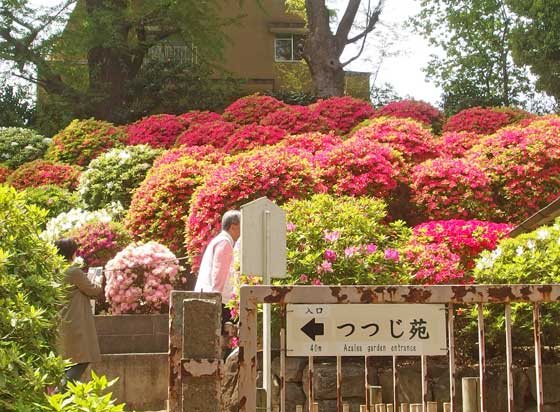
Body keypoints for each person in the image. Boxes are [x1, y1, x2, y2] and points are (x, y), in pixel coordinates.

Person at [54, 238, 103, 386]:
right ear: (72, 253)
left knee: (68, 362)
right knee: (81, 360)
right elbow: (94, 290)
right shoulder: (73, 272)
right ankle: (59, 394)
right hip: (76, 323)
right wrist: (99, 279)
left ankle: (62, 401)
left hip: (61, 322)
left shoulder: (55, 271)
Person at [194, 210, 241, 326]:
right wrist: (216, 300)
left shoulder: (221, 241)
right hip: (218, 300)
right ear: (233, 226)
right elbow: (219, 273)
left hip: (212, 298)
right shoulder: (224, 242)